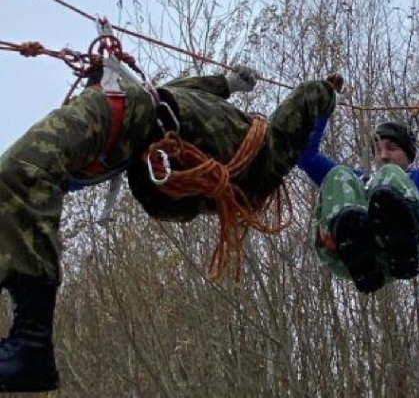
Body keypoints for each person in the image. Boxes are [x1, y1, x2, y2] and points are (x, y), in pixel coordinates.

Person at [0, 64, 342, 393]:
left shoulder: (265, 162)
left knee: (22, 172)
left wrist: (325, 92)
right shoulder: (230, 146)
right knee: (20, 186)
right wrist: (227, 84)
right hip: (139, 116)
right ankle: (27, 342)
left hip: (133, 117)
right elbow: (176, 93)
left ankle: (31, 343)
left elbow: (302, 103)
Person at [298, 99, 419, 294]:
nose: (383, 155)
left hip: (401, 254)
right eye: (377, 150)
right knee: (339, 174)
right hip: (348, 257)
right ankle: (353, 243)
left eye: (391, 148)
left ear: (408, 155)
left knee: (389, 175)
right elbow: (306, 157)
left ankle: (399, 238)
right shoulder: (359, 182)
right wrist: (324, 106)